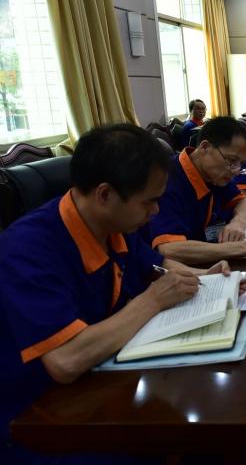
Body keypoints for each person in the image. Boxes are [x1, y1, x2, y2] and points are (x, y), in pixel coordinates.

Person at [0, 124, 232, 464]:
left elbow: (155, 265)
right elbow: (65, 361)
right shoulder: (27, 249)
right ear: (105, 195)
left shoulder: (111, 225)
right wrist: (152, 300)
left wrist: (209, 278)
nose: (155, 211)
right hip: (43, 420)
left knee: (207, 423)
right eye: (149, 201)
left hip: (106, 382)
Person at [147, 116, 246, 265]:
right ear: (205, 147)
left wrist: (238, 222)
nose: (235, 171)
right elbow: (169, 249)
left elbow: (244, 203)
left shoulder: (215, 175)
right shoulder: (166, 180)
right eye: (232, 161)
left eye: (241, 164)